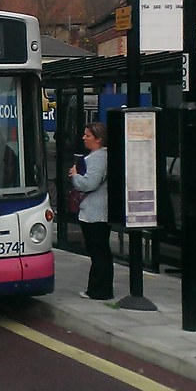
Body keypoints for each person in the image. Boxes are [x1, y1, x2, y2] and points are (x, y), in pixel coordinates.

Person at [68, 121, 112, 300]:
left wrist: (75, 176)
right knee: (99, 251)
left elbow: (89, 184)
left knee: (98, 252)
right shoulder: (101, 156)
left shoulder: (97, 158)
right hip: (97, 211)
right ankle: (98, 288)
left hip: (95, 213)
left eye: (88, 135)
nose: (84, 138)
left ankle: (99, 290)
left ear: (99, 139)